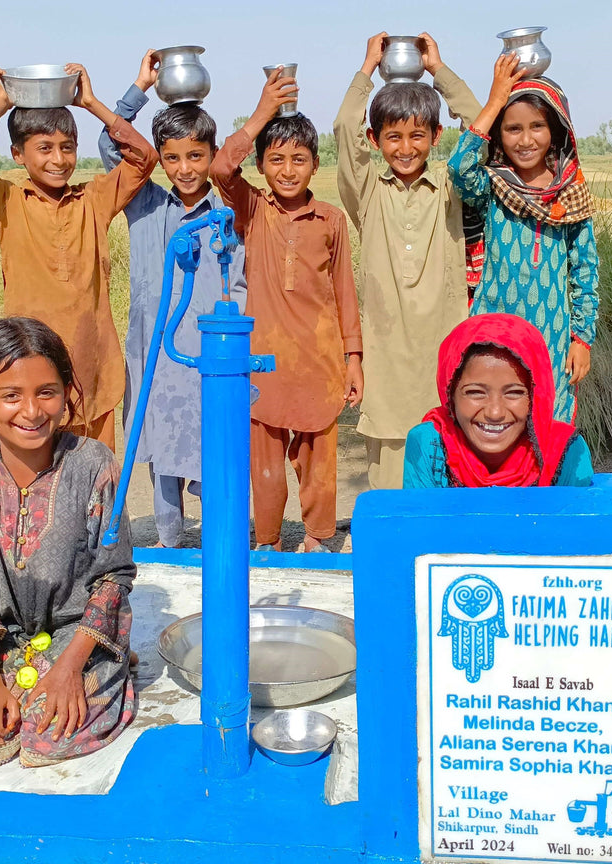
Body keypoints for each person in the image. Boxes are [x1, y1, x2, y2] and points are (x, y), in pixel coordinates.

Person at [0, 317, 137, 770]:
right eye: (10, 395)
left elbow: (113, 578)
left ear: (67, 392)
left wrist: (69, 669)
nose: (31, 411)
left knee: (46, 737)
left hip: (78, 634)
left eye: (46, 392)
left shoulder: (93, 463)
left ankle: (112, 672)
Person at [0, 64, 159, 450]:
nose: (59, 160)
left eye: (67, 148)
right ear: (17, 154)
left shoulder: (94, 200)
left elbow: (144, 159)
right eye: (44, 148)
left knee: (98, 480)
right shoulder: (8, 201)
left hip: (92, 369)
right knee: (39, 481)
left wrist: (92, 103)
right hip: (30, 376)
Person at [98, 50, 247, 547]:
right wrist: (139, 87)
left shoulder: (224, 215)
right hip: (156, 350)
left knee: (214, 444)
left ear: (211, 154)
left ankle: (219, 541)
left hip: (208, 355)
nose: (185, 168)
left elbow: (240, 284)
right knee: (160, 445)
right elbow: (109, 142)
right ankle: (169, 539)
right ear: (159, 158)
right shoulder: (144, 204)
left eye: (196, 156)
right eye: (173, 157)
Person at [211, 70, 363, 552]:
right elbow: (219, 170)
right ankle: (270, 539)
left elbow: (344, 293)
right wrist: (263, 112)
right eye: (276, 160)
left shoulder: (331, 220)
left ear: (315, 165)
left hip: (319, 361)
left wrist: (353, 359)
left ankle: (319, 536)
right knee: (266, 462)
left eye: (299, 159)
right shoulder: (253, 210)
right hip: (265, 362)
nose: (288, 169)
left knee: (320, 458)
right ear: (260, 166)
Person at [333, 31, 481, 489]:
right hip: (387, 357)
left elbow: (481, 130)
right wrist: (366, 69)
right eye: (392, 137)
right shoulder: (368, 190)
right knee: (391, 472)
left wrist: (438, 69)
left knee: (448, 455)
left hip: (445, 347)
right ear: (375, 140)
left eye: (418, 135)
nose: (405, 147)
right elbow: (343, 126)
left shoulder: (451, 187)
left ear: (437, 136)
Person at [447, 54, 599, 424]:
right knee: (492, 420)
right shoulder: (492, 185)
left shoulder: (569, 193)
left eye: (537, 127)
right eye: (513, 129)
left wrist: (582, 338)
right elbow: (458, 166)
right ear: (499, 133)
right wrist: (495, 101)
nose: (526, 140)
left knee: (548, 423)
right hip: (492, 332)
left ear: (557, 131)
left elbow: (585, 270)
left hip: (552, 336)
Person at [403, 313, 593, 488]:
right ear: (450, 395)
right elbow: (420, 522)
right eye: (475, 393)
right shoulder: (429, 445)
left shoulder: (565, 452)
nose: (495, 413)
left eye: (514, 393)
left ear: (536, 397)